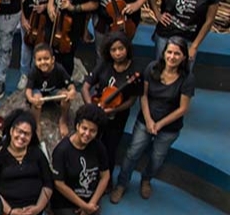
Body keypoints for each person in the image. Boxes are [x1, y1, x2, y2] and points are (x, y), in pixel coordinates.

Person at [111, 37, 196, 203]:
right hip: (146, 120)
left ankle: (146, 179)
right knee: (132, 153)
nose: (172, 57)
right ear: (164, 53)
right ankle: (122, 184)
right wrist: (149, 120)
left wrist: (160, 124)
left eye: (177, 54)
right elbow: (143, 95)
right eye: (169, 52)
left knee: (157, 158)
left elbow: (183, 108)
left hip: (169, 127)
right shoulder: (152, 68)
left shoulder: (187, 79)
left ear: (184, 57)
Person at [81, 32, 142, 181]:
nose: (118, 53)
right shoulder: (104, 64)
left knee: (110, 149)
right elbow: (85, 87)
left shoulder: (135, 71)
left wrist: (114, 110)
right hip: (97, 111)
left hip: (117, 117)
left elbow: (132, 100)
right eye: (113, 50)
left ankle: (106, 181)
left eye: (121, 48)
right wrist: (92, 109)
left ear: (127, 48)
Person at [19, 0, 56, 90]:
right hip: (28, 16)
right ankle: (24, 74)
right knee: (26, 45)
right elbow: (20, 0)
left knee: (41, 46)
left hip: (44, 19)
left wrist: (46, 5)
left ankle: (37, 75)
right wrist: (22, 19)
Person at [25, 43, 77, 138]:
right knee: (36, 98)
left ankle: (63, 120)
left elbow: (70, 85)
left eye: (46, 59)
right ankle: (36, 124)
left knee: (66, 97)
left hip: (54, 91)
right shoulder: (33, 71)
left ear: (53, 59)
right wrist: (31, 99)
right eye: (39, 60)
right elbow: (28, 90)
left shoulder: (59, 69)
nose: (43, 62)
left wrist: (71, 91)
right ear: (35, 61)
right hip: (38, 92)